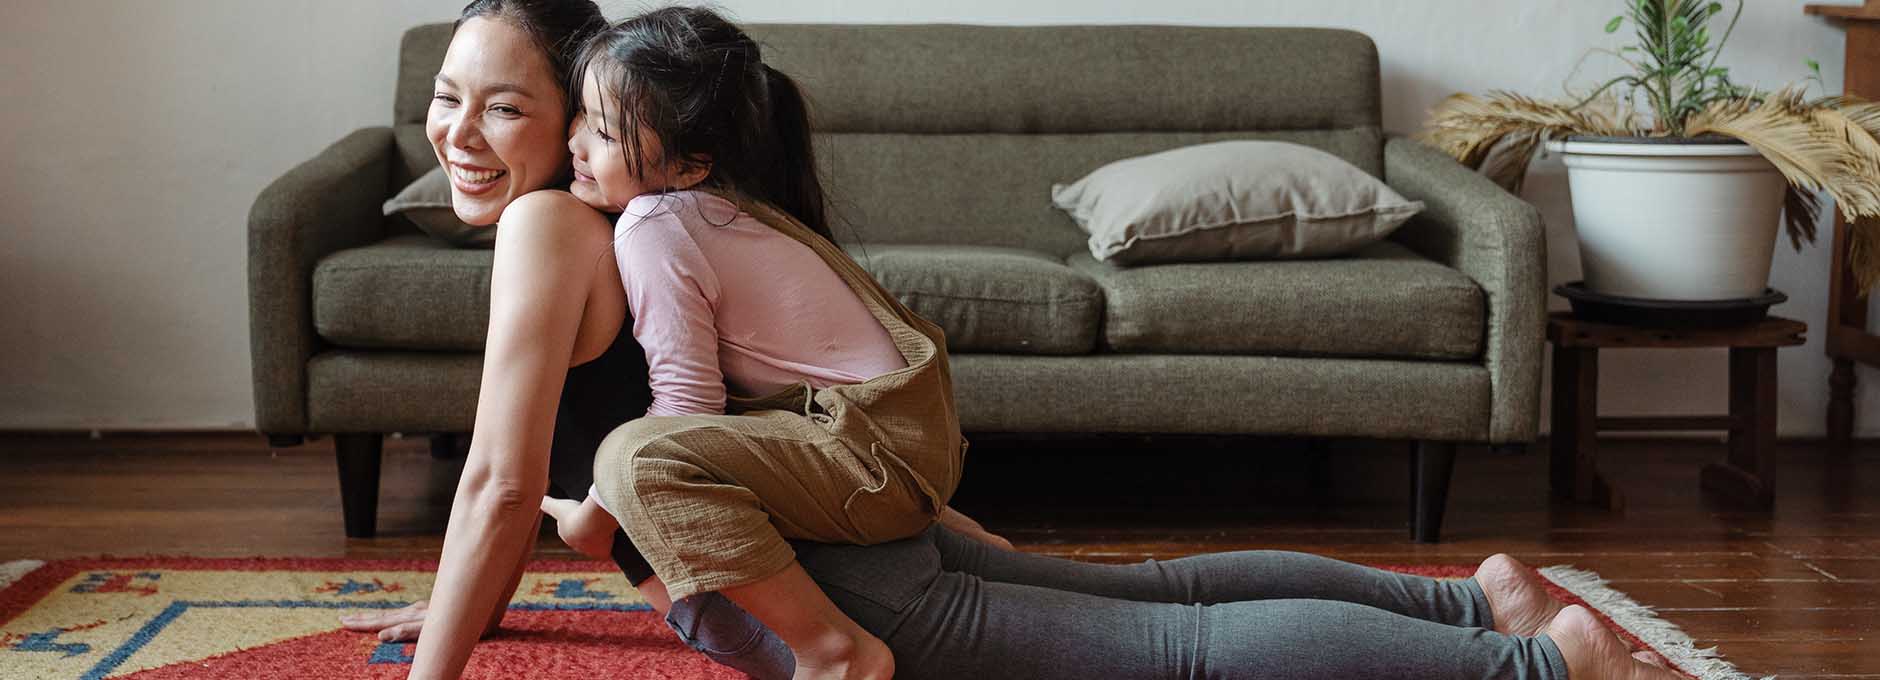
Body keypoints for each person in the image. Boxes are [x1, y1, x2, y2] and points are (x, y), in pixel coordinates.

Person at [347, 3, 1686, 679]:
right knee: (1164, 603)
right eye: (446, 96)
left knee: (1176, 655)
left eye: (510, 107)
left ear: (580, 114)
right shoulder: (645, 211)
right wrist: (487, 584)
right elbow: (585, 474)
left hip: (833, 584)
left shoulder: (561, 229)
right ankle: (1478, 604)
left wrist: (438, 662)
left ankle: (1531, 665)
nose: (461, 131)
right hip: (845, 526)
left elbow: (505, 480)